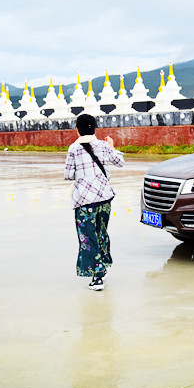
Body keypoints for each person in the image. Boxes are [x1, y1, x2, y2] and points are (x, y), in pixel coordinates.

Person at [64, 113, 125, 290]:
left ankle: (97, 277)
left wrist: (84, 175)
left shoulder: (73, 149)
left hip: (84, 201)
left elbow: (68, 175)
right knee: (101, 233)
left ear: (77, 130)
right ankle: (103, 267)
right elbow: (120, 162)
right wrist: (112, 147)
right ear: (95, 128)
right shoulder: (104, 146)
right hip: (104, 199)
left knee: (88, 238)